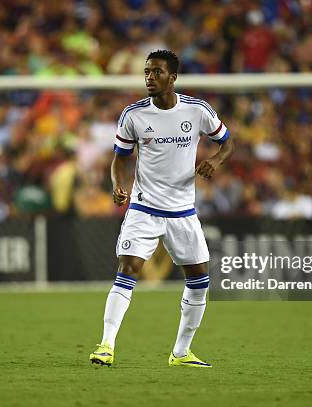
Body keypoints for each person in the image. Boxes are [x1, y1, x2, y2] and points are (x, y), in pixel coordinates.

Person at [89, 50, 234, 368]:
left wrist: (215, 160)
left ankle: (181, 352)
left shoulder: (197, 111)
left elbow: (227, 142)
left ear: (173, 77)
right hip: (144, 209)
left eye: (156, 72)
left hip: (183, 212)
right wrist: (117, 184)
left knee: (199, 282)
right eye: (146, 72)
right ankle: (106, 345)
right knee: (127, 270)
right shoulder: (133, 115)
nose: (149, 77)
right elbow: (120, 157)